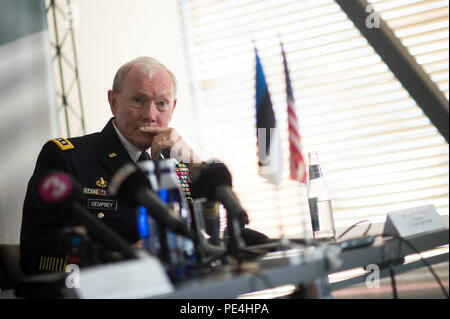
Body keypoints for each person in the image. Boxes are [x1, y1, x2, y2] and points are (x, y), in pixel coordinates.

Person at [19, 56, 201, 276]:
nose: (150, 115)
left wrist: (194, 163)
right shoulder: (66, 158)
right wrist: (118, 260)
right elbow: (35, 258)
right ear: (113, 102)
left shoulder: (178, 166)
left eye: (161, 103)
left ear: (172, 108)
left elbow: (209, 236)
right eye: (138, 100)